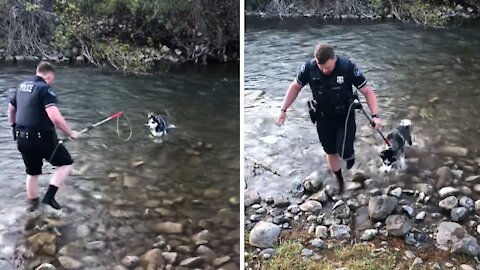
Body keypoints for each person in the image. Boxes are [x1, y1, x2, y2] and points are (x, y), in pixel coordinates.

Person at [276, 43, 381, 193]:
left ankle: (349, 156)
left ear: (334, 59)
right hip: (323, 117)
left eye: (328, 67)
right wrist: (283, 110)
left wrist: (375, 115)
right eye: (321, 67)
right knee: (330, 151)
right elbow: (295, 87)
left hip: (344, 116)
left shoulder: (347, 67)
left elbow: (367, 91)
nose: (325, 71)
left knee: (344, 151)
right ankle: (340, 181)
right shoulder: (308, 69)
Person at [7, 61, 77, 211]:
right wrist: (70, 133)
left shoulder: (21, 87)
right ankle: (49, 197)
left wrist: (13, 127)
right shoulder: (45, 89)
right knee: (66, 163)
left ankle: (32, 207)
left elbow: (11, 109)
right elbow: (56, 118)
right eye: (51, 79)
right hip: (41, 138)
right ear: (48, 75)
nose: (51, 82)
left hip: (21, 138)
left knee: (32, 172)